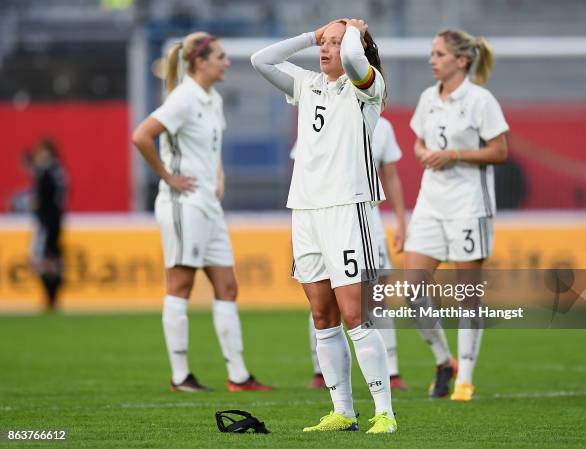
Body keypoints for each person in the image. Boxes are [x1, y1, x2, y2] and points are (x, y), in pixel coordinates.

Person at [252, 19, 398, 433]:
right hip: (306, 211)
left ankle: (384, 412)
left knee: (355, 315)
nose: (327, 49)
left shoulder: (368, 88)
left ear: (358, 47)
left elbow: (354, 57)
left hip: (347, 210)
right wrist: (309, 36)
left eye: (335, 43)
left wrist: (353, 31)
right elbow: (260, 60)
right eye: (325, 43)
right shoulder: (308, 83)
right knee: (322, 315)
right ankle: (343, 412)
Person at [132, 32, 272, 393]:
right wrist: (167, 176)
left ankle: (238, 376)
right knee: (180, 285)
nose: (227, 62)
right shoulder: (182, 99)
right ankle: (180, 376)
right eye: (221, 57)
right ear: (199, 62)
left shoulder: (213, 98)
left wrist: (219, 174)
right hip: (184, 204)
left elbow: (213, 146)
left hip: (208, 205)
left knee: (227, 286)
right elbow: (141, 136)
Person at [405, 28, 508, 401]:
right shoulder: (427, 98)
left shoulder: (480, 100)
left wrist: (454, 155)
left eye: (439, 54)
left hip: (469, 206)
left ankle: (465, 377)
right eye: (432, 53)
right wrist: (421, 152)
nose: (432, 60)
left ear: (461, 60)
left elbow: (500, 151)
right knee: (413, 287)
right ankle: (442, 360)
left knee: (467, 294)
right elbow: (418, 140)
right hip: (431, 204)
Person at [301, 116, 408, 391]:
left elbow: (391, 176)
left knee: (375, 299)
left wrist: (400, 220)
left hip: (368, 222)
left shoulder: (383, 126)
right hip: (327, 220)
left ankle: (392, 372)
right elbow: (303, 166)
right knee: (323, 299)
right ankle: (320, 370)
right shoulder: (320, 115)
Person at [30, 139, 68, 311]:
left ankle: (51, 294)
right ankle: (50, 294)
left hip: (48, 221)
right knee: (48, 258)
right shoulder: (52, 171)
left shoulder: (49, 170)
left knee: (45, 257)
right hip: (49, 220)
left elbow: (45, 197)